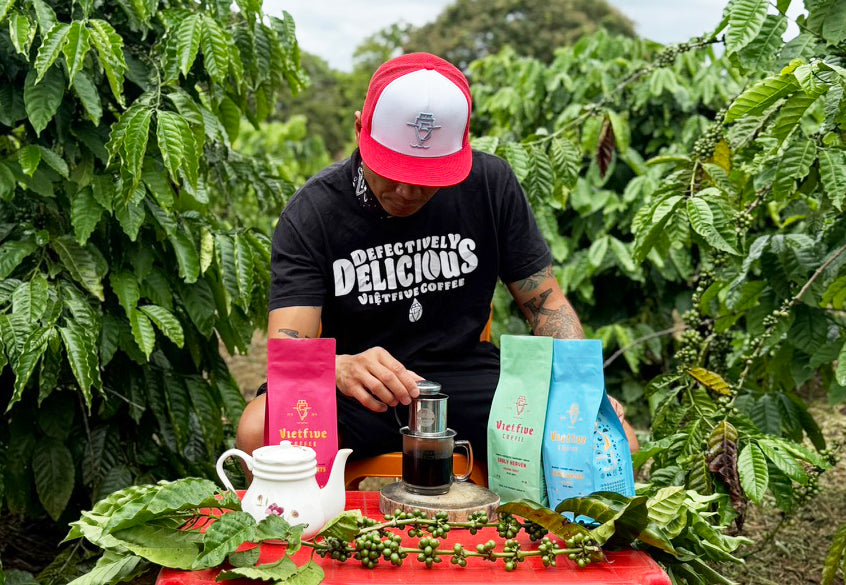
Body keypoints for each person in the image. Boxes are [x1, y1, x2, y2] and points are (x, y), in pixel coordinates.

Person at [236, 52, 637, 463]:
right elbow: (289, 350)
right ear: (361, 130)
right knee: (258, 430)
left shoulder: (490, 185)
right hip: (358, 391)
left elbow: (546, 303)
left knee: (607, 440)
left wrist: (584, 388)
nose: (408, 193)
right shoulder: (313, 212)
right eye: (392, 172)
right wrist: (338, 366)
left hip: (464, 379)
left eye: (428, 178)